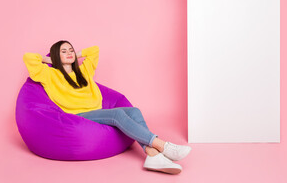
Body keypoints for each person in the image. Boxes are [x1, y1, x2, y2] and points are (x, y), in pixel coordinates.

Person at [23, 40, 191, 174]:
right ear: (55, 56)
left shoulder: (83, 72)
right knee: (117, 115)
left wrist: (76, 54)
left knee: (134, 111)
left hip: (98, 112)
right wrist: (50, 60)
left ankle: (152, 155)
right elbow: (28, 57)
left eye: (71, 50)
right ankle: (162, 146)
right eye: (63, 51)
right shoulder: (50, 74)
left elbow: (94, 50)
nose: (69, 53)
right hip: (77, 116)